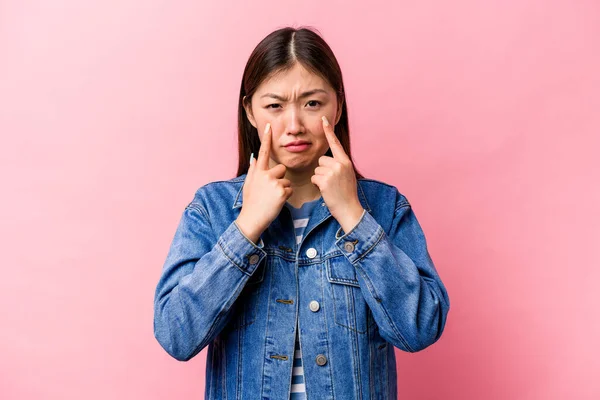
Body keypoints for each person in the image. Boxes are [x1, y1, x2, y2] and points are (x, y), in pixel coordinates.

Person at [153, 26, 450, 400]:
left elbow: (420, 328)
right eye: (274, 106)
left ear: (337, 105)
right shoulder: (212, 211)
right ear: (249, 111)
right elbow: (176, 334)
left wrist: (355, 218)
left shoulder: (384, 208)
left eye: (312, 103)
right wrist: (246, 227)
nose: (294, 126)